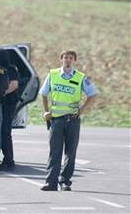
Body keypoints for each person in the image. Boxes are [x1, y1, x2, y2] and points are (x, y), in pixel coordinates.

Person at [39, 50, 98, 191]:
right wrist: (46, 111)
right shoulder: (52, 74)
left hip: (72, 120)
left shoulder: (80, 77)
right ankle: (50, 182)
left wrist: (81, 110)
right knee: (55, 152)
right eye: (65, 57)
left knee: (70, 153)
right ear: (61, 59)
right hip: (56, 120)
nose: (68, 60)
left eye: (71, 58)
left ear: (74, 60)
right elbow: (43, 93)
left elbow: (93, 94)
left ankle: (65, 181)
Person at [0, 49, 20, 170]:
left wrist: (1, 94)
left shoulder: (10, 69)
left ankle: (9, 160)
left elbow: (14, 85)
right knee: (1, 132)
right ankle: (6, 159)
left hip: (8, 104)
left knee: (5, 132)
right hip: (1, 103)